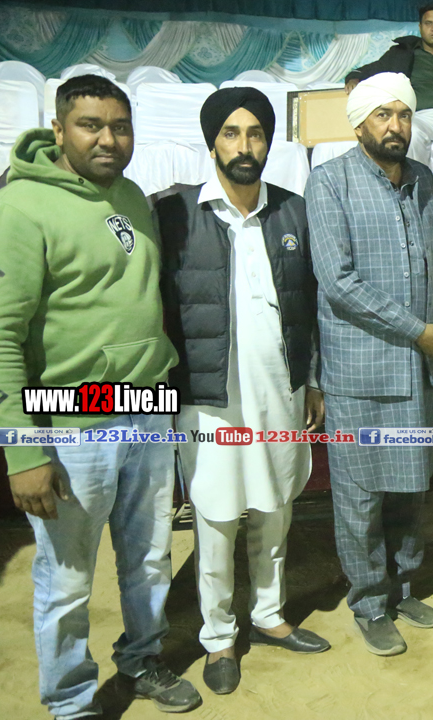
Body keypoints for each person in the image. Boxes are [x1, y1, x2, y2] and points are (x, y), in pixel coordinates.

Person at [0, 75, 201, 717]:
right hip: (73, 426)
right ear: (59, 130)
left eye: (120, 127)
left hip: (147, 415)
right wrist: (21, 451)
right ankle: (71, 700)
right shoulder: (19, 208)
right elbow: (0, 336)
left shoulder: (132, 197)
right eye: (90, 125)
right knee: (67, 580)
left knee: (150, 560)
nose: (108, 139)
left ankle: (141, 659)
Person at [156, 87, 331, 696]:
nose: (244, 145)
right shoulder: (176, 212)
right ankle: (218, 636)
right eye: (231, 133)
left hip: (280, 392)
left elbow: (312, 304)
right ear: (213, 144)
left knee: (275, 509)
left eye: (255, 133)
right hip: (208, 399)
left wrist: (312, 380)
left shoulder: (292, 212)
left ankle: (269, 614)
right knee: (215, 517)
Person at [306, 73, 433, 657]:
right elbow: (338, 282)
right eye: (382, 115)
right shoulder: (330, 182)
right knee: (361, 496)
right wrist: (419, 331)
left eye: (403, 114)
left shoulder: (421, 179)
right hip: (361, 370)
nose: (395, 126)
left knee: (410, 490)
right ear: (359, 123)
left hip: (416, 370)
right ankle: (369, 602)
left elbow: (431, 265)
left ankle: (404, 587)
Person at [347, 4, 433, 214]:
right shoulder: (402, 53)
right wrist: (354, 77)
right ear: (420, 27)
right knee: (410, 136)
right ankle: (420, 190)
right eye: (429, 24)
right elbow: (372, 69)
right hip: (419, 115)